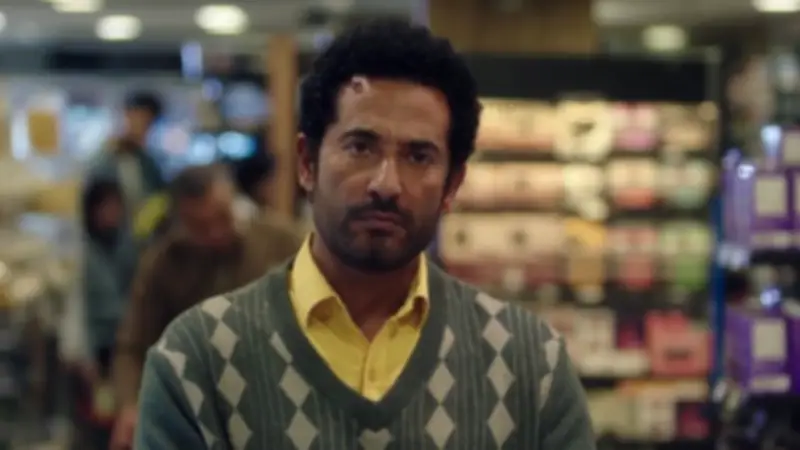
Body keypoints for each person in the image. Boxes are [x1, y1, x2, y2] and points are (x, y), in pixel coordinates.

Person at [135, 19, 595, 450]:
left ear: (452, 185)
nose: (386, 183)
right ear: (307, 163)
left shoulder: (529, 366)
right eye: (360, 147)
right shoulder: (197, 361)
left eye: (418, 156)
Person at [110, 164, 303, 450]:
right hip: (198, 411)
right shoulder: (165, 263)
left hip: (276, 402)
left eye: (223, 217)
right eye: (200, 227)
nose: (215, 233)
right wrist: (129, 404)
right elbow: (132, 345)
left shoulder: (281, 242)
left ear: (234, 200)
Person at [66, 178, 138, 450]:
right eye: (103, 207)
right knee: (98, 423)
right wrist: (82, 355)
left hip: (128, 346)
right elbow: (77, 308)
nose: (110, 213)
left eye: (114, 205)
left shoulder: (131, 247)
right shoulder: (84, 254)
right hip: (98, 352)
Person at [90, 91, 166, 216]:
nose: (139, 126)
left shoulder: (148, 162)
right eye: (135, 118)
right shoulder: (107, 157)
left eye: (146, 121)